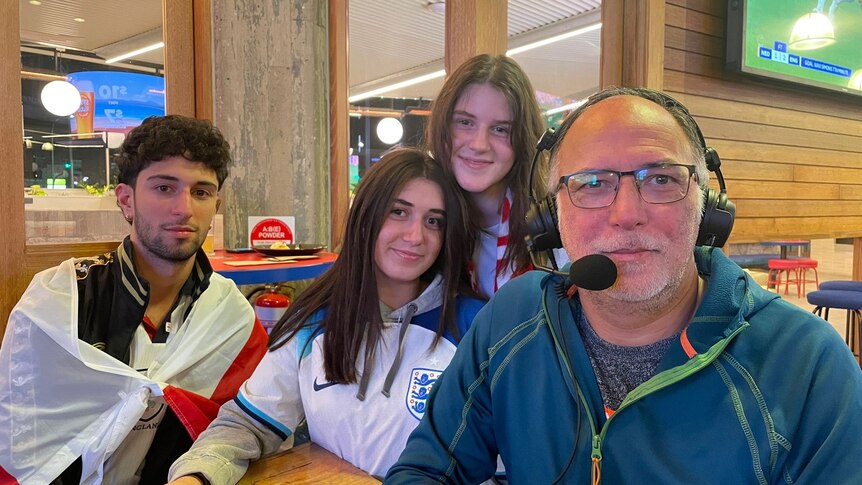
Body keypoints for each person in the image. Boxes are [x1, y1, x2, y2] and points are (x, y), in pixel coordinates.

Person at [386, 87, 862, 484]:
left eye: (660, 178)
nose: (626, 213)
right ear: (552, 218)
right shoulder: (513, 319)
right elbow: (427, 471)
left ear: (708, 207)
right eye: (591, 183)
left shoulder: (809, 366)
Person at [167, 147, 485, 484]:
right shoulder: (313, 319)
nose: (415, 236)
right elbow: (247, 425)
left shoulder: (475, 325)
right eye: (398, 212)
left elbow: (498, 456)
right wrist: (195, 475)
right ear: (366, 215)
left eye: (433, 221)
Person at [0, 115, 268, 484]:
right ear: (126, 200)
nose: (184, 208)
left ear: (216, 206)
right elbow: (22, 435)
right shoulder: (61, 298)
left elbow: (248, 428)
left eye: (201, 192)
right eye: (163, 188)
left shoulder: (233, 316)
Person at [426, 54, 549, 298]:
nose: (479, 144)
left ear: (523, 139)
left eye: (500, 129)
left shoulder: (554, 228)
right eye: (465, 122)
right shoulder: (421, 219)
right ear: (443, 126)